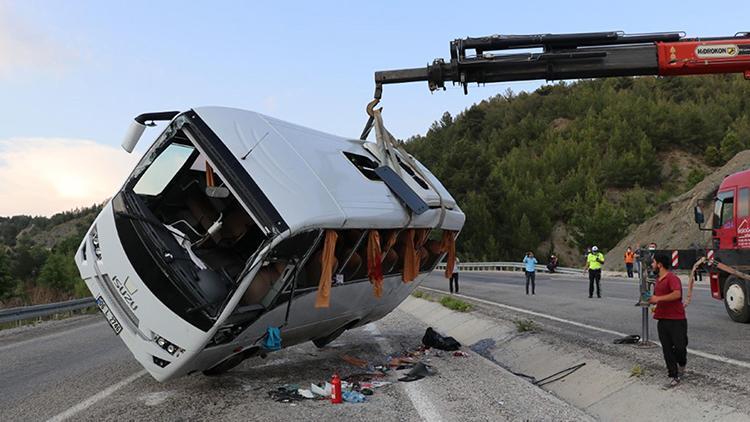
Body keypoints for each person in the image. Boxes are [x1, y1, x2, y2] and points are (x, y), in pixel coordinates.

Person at [648, 253, 688, 389]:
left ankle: (682, 363)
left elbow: (677, 294)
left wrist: (658, 299)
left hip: (677, 320)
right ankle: (673, 375)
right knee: (667, 349)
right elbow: (659, 298)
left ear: (659, 264)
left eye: (653, 263)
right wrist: (653, 304)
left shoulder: (672, 278)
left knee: (680, 347)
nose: (652, 265)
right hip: (662, 320)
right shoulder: (658, 280)